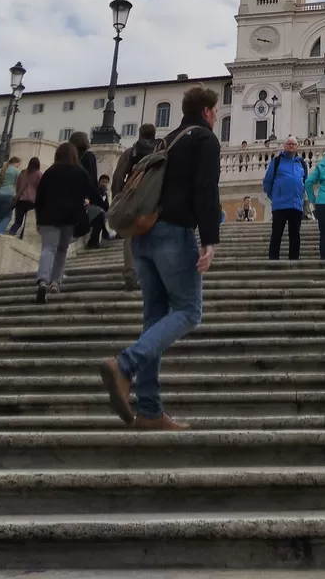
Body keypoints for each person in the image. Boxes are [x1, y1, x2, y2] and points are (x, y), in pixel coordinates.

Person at [99, 85, 221, 430]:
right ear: (210, 111)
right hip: (173, 232)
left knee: (154, 319)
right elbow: (205, 189)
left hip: (143, 235)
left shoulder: (166, 140)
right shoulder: (204, 139)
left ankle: (150, 411)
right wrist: (209, 239)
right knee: (188, 311)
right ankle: (124, 365)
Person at [33, 142, 93, 304]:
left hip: (48, 215)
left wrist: (38, 219)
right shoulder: (80, 172)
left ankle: (43, 280)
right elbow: (91, 192)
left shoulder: (50, 172)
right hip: (70, 216)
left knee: (48, 248)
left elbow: (39, 197)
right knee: (62, 250)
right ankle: (55, 282)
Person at [113, 123, 157, 291]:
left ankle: (131, 273)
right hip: (153, 194)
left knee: (130, 234)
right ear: (154, 134)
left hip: (132, 194)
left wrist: (118, 197)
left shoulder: (130, 152)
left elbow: (118, 176)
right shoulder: (160, 151)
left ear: (139, 134)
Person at [262, 136, 308, 260]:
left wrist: (300, 194)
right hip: (280, 204)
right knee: (277, 234)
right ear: (284, 146)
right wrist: (274, 196)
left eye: (294, 144)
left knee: (295, 235)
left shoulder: (302, 163)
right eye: (289, 144)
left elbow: (305, 181)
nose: (291, 146)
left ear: (297, 146)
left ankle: (294, 260)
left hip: (296, 204)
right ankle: (273, 260)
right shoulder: (277, 161)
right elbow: (267, 181)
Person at [10, 157, 41, 238]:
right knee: (27, 223)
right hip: (32, 201)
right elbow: (40, 187)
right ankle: (21, 237)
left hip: (21, 199)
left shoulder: (23, 172)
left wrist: (17, 195)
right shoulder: (38, 174)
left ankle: (11, 233)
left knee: (17, 222)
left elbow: (18, 185)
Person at [0, 156, 22, 234]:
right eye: (19, 164)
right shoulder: (16, 171)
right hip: (8, 195)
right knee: (7, 217)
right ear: (15, 163)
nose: (19, 166)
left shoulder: (0, 170)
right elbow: (20, 184)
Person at [88, 175, 112, 248]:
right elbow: (95, 203)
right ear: (99, 182)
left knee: (101, 219)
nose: (104, 184)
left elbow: (106, 206)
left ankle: (94, 242)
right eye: (103, 182)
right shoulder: (95, 191)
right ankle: (94, 241)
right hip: (92, 213)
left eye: (106, 182)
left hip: (100, 214)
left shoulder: (105, 193)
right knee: (99, 219)